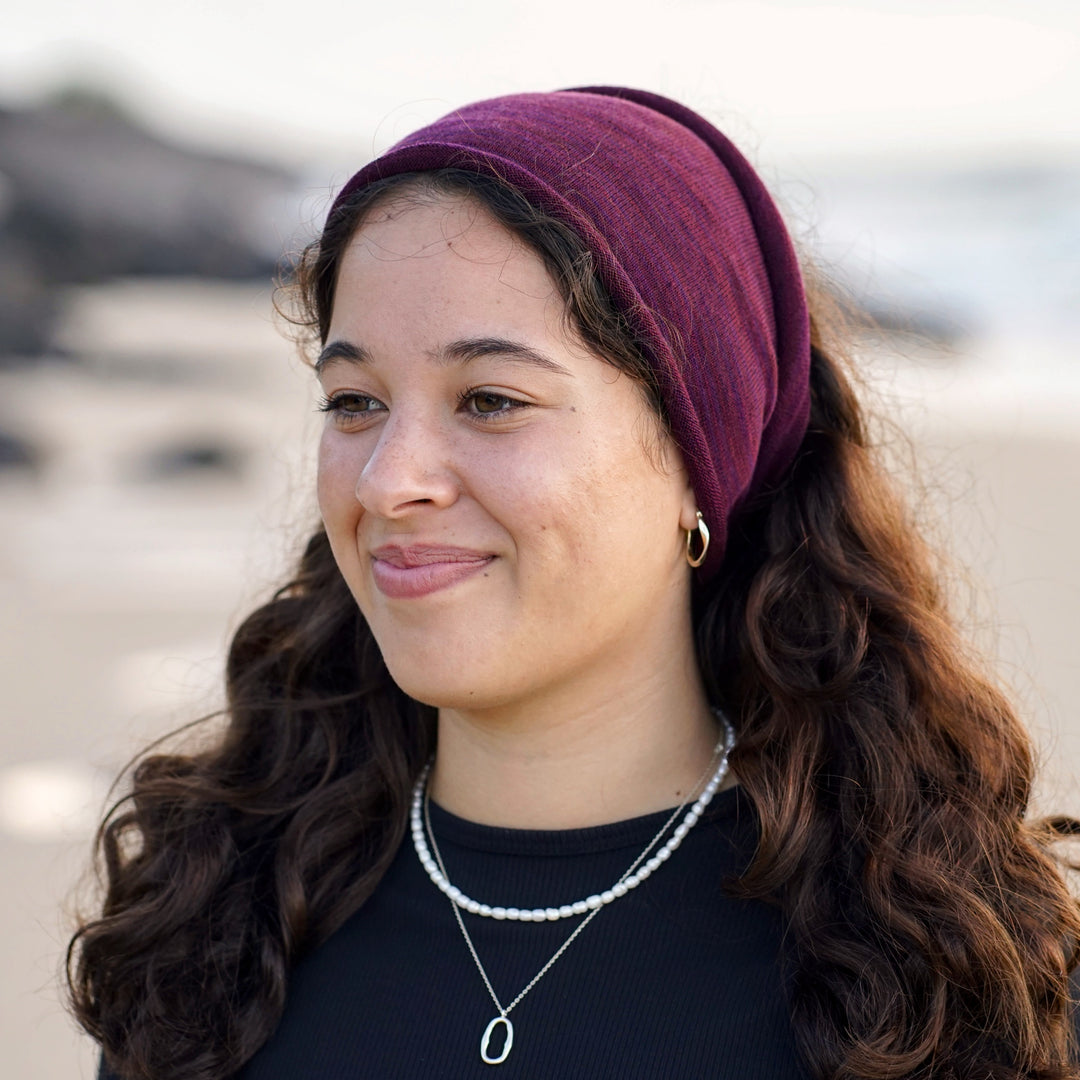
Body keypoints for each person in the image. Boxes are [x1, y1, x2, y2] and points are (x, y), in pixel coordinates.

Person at [69, 87, 1080, 1080]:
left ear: (695, 452)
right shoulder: (210, 921)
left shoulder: (946, 979)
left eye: (492, 399)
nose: (390, 480)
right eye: (355, 401)